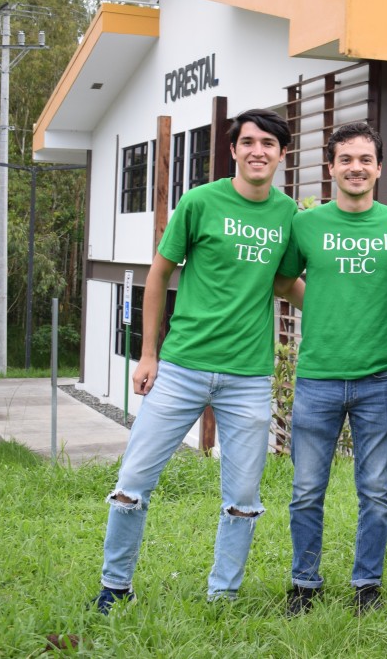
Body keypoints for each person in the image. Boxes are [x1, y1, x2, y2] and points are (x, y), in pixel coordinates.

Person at [91, 109, 297, 612]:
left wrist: (345, 315)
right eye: (248, 142)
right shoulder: (200, 202)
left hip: (248, 376)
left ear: (282, 154)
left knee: (243, 499)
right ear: (233, 150)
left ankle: (223, 596)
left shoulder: (289, 215)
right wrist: (148, 353)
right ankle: (114, 588)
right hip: (182, 366)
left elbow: (284, 282)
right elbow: (158, 275)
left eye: (268, 144)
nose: (258, 151)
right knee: (132, 484)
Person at [276, 122, 387, 616]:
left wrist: (379, 314)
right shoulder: (306, 225)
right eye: (346, 159)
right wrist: (322, 306)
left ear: (379, 168)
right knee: (305, 491)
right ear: (331, 167)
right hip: (317, 378)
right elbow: (284, 282)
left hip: (379, 380)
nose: (355, 168)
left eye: (365, 159)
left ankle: (367, 585)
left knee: (375, 492)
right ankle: (304, 583)